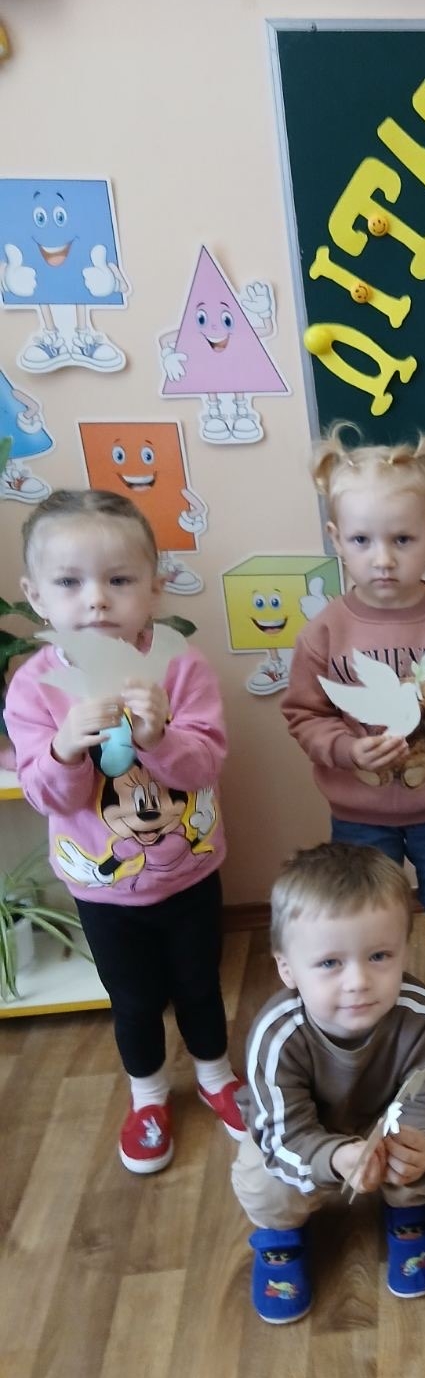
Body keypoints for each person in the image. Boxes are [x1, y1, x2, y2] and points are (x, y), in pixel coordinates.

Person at [7, 489, 243, 1173]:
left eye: (118, 580)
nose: (97, 600)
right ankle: (148, 1097)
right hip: (103, 888)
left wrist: (158, 735)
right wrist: (64, 748)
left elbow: (204, 766)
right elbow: (46, 796)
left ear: (154, 587)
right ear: (36, 596)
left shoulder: (178, 666)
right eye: (69, 583)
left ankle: (217, 1077)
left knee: (200, 985)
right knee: (133, 1000)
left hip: (189, 871)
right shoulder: (34, 687)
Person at [282, 431, 425, 1063]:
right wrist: (344, 749)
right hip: (358, 816)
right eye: (362, 541)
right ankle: (376, 1003)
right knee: (364, 914)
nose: (382, 559)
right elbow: (303, 714)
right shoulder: (324, 631)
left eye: (402, 540)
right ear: (337, 540)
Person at [233, 842, 425, 1324]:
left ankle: (410, 1214)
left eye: (379, 956)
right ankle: (279, 1238)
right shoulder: (277, 1034)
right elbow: (283, 1134)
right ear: (287, 968)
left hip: (387, 1122)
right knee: (262, 1178)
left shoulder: (422, 1014)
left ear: (404, 949)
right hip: (303, 1131)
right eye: (330, 963)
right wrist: (335, 1156)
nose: (358, 981)